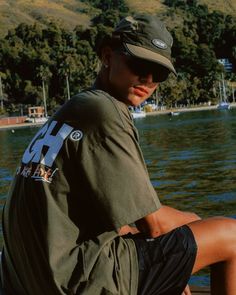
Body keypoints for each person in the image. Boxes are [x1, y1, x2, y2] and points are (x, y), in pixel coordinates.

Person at [1, 14, 236, 295]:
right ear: (108, 56)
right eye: (139, 65)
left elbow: (119, 222)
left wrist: (178, 254)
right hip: (75, 281)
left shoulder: (74, 110)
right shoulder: (106, 110)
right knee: (230, 235)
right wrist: (195, 222)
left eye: (158, 74)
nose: (148, 81)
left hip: (33, 280)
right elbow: (155, 226)